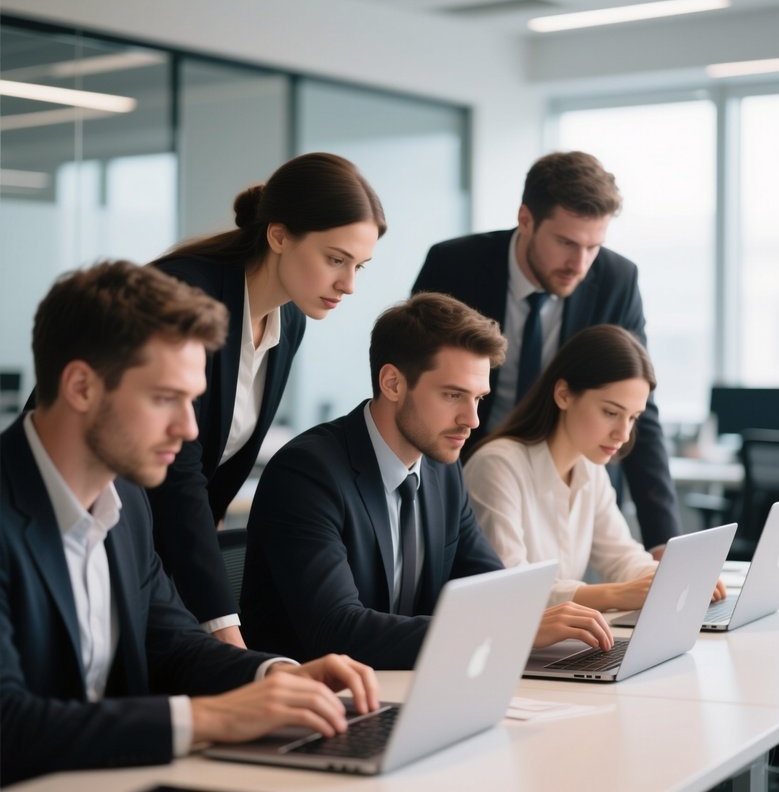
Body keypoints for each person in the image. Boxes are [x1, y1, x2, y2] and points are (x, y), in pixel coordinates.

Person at [0, 261, 379, 785]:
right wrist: (213, 718)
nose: (189, 429)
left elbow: (173, 644)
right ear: (82, 387)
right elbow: (9, 724)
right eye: (165, 399)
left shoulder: (125, 502)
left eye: (193, 399)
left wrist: (275, 676)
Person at [241, 293, 614, 670]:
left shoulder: (440, 469)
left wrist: (532, 620)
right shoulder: (307, 473)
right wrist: (510, 630)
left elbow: (492, 589)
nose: (472, 420)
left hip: (407, 688)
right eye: (453, 395)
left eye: (478, 398)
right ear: (393, 383)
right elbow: (336, 630)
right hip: (318, 705)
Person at [149, 152, 387, 648]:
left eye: (359, 265)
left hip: (162, 559)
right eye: (335, 259)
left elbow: (214, 473)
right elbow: (179, 475)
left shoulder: (289, 318)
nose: (349, 284)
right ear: (278, 236)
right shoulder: (182, 295)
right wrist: (224, 630)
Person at [412, 151, 679, 558]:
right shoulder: (455, 266)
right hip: (467, 473)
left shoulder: (616, 280)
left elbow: (637, 401)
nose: (580, 263)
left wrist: (665, 541)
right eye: (566, 242)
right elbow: (415, 381)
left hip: (566, 476)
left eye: (594, 246)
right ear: (526, 219)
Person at [464, 326, 726, 611]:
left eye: (633, 418)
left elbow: (621, 557)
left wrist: (676, 579)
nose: (623, 434)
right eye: (611, 413)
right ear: (563, 394)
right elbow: (510, 586)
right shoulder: (497, 466)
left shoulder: (589, 467)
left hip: (562, 643)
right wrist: (616, 595)